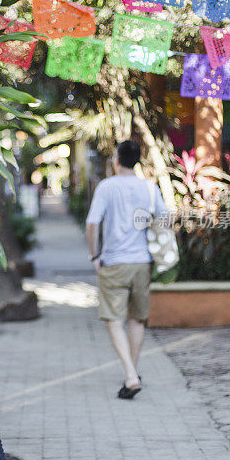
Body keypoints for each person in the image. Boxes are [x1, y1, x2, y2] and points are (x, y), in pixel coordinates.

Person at [85, 140, 170, 399]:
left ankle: (131, 375)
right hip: (142, 262)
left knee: (113, 319)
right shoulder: (149, 187)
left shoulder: (107, 187)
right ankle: (132, 373)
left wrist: (94, 255)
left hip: (113, 262)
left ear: (117, 160)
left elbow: (92, 223)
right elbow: (165, 219)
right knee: (137, 319)